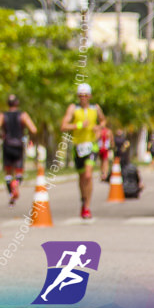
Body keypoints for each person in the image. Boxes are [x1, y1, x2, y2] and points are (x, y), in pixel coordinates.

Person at [61, 83, 107, 220]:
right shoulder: (73, 109)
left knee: (88, 175)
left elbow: (103, 120)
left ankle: (87, 206)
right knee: (82, 178)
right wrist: (79, 125)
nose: (83, 98)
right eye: (81, 96)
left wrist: (98, 127)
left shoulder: (95, 108)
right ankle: (83, 200)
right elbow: (63, 126)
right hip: (78, 146)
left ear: (90, 96)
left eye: (86, 95)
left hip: (91, 145)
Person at [0, 95, 37, 206]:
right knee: (19, 171)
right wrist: (29, 137)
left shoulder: (2, 115)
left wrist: (0, 135)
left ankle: (11, 193)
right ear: (17, 103)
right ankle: (16, 184)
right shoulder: (23, 115)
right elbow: (33, 129)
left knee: (8, 172)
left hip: (7, 145)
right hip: (18, 145)